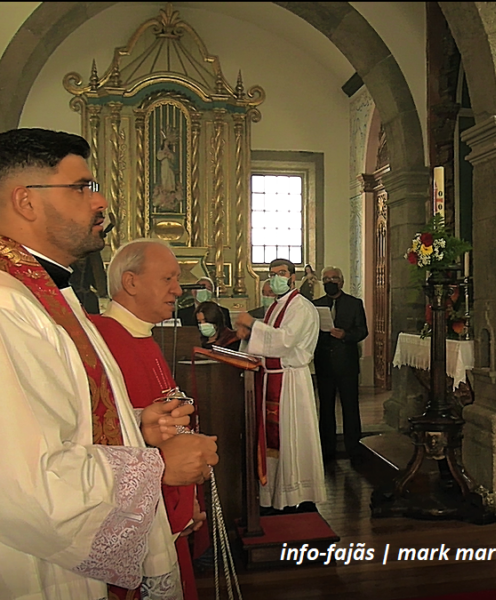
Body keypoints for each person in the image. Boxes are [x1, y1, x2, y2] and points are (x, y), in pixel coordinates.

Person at [0, 127, 217, 599]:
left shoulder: (49, 295)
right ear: (26, 202)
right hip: (40, 567)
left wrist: (136, 427)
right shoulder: (6, 304)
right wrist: (156, 468)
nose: (100, 202)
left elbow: (58, 421)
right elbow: (22, 487)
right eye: (82, 187)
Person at [90, 237, 215, 600]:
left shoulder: (141, 336)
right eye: (168, 279)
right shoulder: (105, 341)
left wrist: (187, 496)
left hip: (167, 498)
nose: (178, 289)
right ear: (130, 282)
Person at [234, 258, 326, 513]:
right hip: (273, 378)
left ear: (293, 277)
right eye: (272, 274)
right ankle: (274, 495)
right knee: (277, 441)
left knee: (292, 438)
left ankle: (297, 494)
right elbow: (267, 341)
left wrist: (253, 325)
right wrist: (249, 334)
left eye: (282, 273)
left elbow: (284, 341)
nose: (276, 278)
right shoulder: (275, 307)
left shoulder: (301, 307)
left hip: (292, 381)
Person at [312, 267, 369, 463]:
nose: (330, 281)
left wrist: (346, 335)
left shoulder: (354, 304)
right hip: (324, 363)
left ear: (341, 281)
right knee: (326, 408)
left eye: (334, 278)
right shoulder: (315, 305)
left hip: (347, 363)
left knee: (350, 406)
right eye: (326, 278)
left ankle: (354, 447)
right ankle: (326, 449)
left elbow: (362, 330)